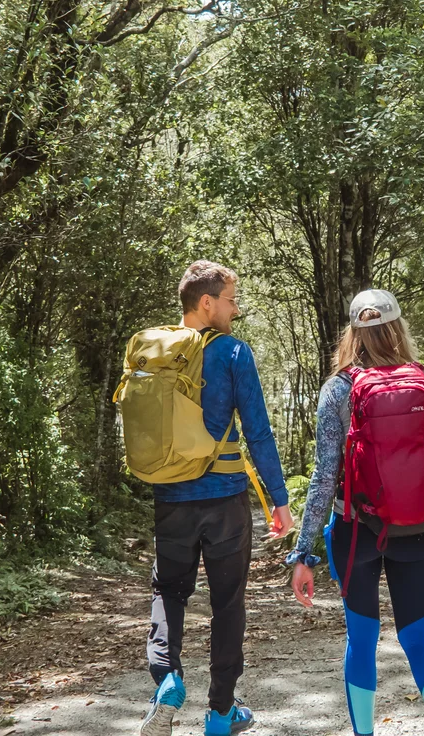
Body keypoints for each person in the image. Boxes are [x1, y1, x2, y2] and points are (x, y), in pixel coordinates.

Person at [287, 289, 424, 736]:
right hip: (421, 531)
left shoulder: (338, 389)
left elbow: (324, 477)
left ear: (352, 333)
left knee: (362, 641)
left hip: (354, 533)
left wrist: (303, 552)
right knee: (419, 637)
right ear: (398, 328)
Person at [140, 261, 295, 736]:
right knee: (228, 603)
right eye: (231, 299)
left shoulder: (155, 349)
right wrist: (279, 499)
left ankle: (167, 680)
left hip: (170, 497)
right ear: (206, 303)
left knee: (169, 592)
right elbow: (258, 432)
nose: (236, 308)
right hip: (225, 500)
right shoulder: (232, 353)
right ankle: (221, 712)